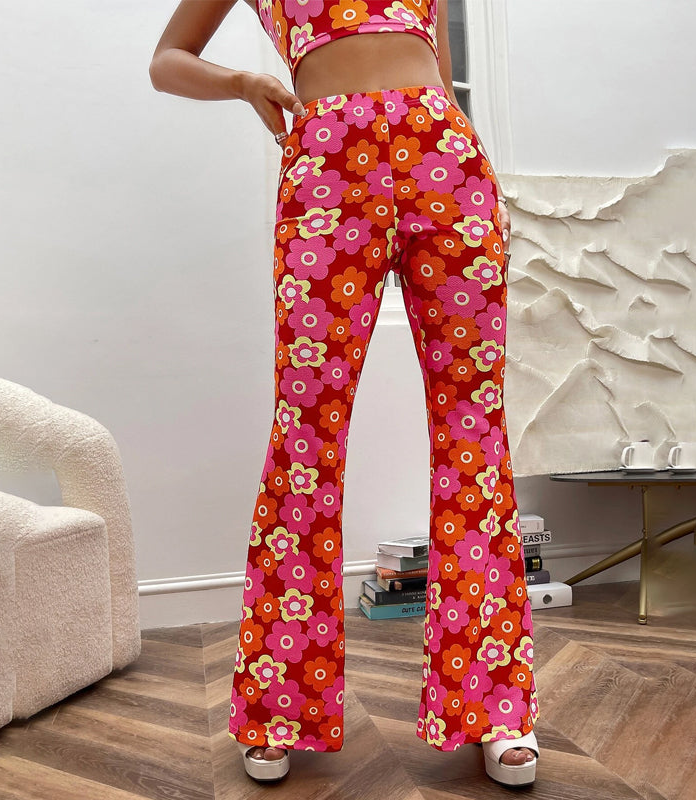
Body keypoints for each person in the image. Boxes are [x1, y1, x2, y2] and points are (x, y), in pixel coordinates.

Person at [150, 0, 539, 787]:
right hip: (328, 163)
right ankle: (278, 705)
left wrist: (476, 170)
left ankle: (496, 707)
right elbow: (167, 61)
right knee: (306, 442)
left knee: (475, 435)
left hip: (445, 157)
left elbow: (437, 72)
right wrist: (242, 82)